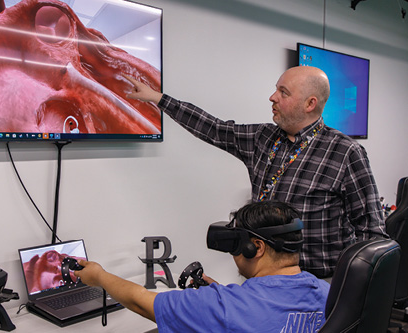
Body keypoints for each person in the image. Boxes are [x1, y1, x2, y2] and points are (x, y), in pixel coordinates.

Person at [124, 66, 388, 278]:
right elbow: (214, 128)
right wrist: (158, 99)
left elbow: (371, 231)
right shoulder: (264, 137)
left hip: (317, 286)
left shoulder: (344, 152)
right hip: (261, 279)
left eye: (283, 92)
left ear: (310, 104)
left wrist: (349, 289)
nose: (273, 97)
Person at [74, 200, 330, 332]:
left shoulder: (223, 306)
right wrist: (224, 293)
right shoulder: (331, 294)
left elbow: (142, 302)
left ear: (256, 248)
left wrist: (99, 276)